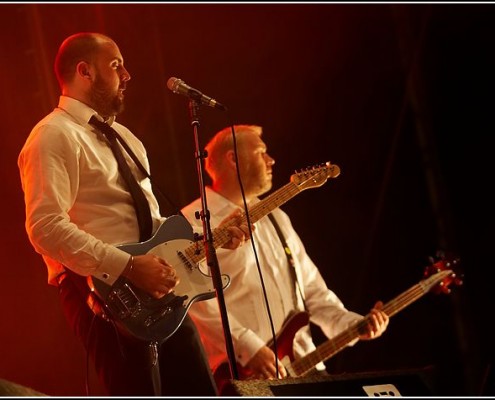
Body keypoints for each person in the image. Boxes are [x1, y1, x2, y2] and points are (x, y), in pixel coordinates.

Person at [17, 32, 251, 396]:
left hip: (157, 289)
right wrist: (127, 264)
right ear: (85, 71)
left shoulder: (126, 137)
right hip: (102, 292)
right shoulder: (52, 134)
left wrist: (212, 240)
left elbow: (153, 226)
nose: (127, 75)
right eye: (115, 65)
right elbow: (44, 227)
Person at [181, 124, 390, 393]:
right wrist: (249, 347)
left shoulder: (277, 217)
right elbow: (192, 299)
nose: (272, 160)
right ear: (233, 159)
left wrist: (353, 324)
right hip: (246, 375)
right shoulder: (192, 222)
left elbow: (312, 290)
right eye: (261, 152)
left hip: (307, 367)